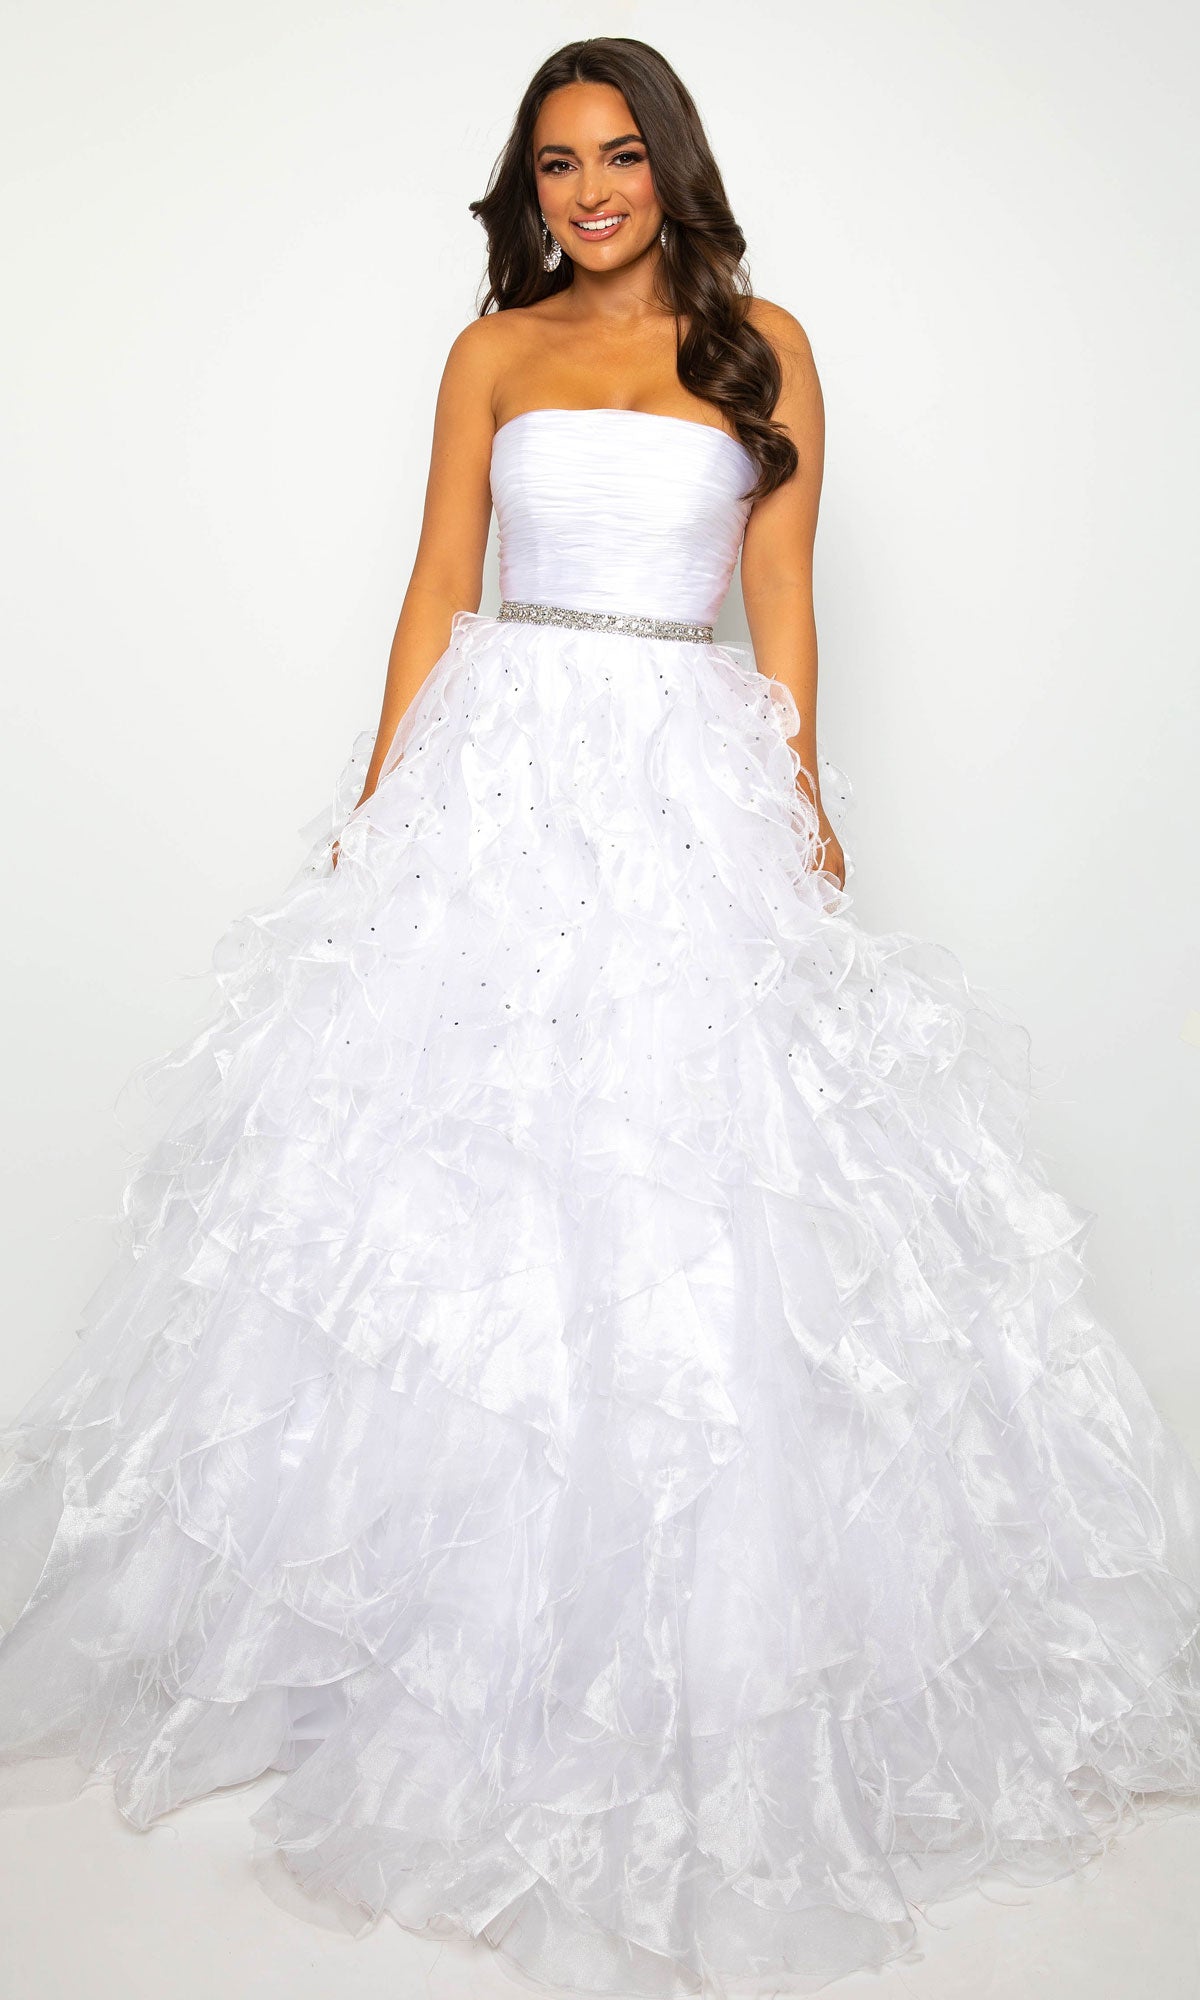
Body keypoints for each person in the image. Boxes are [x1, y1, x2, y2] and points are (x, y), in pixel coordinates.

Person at [2, 33, 1199, 2000]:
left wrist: (804, 808)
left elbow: (784, 598)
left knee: (698, 1192)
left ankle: (696, 1663)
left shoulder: (765, 345)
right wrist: (381, 817)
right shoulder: (490, 357)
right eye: (556, 164)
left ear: (673, 167)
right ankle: (434, 1647)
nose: (587, 191)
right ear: (528, 188)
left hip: (687, 769)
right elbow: (434, 586)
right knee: (459, 1195)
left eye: (618, 155)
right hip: (504, 769)